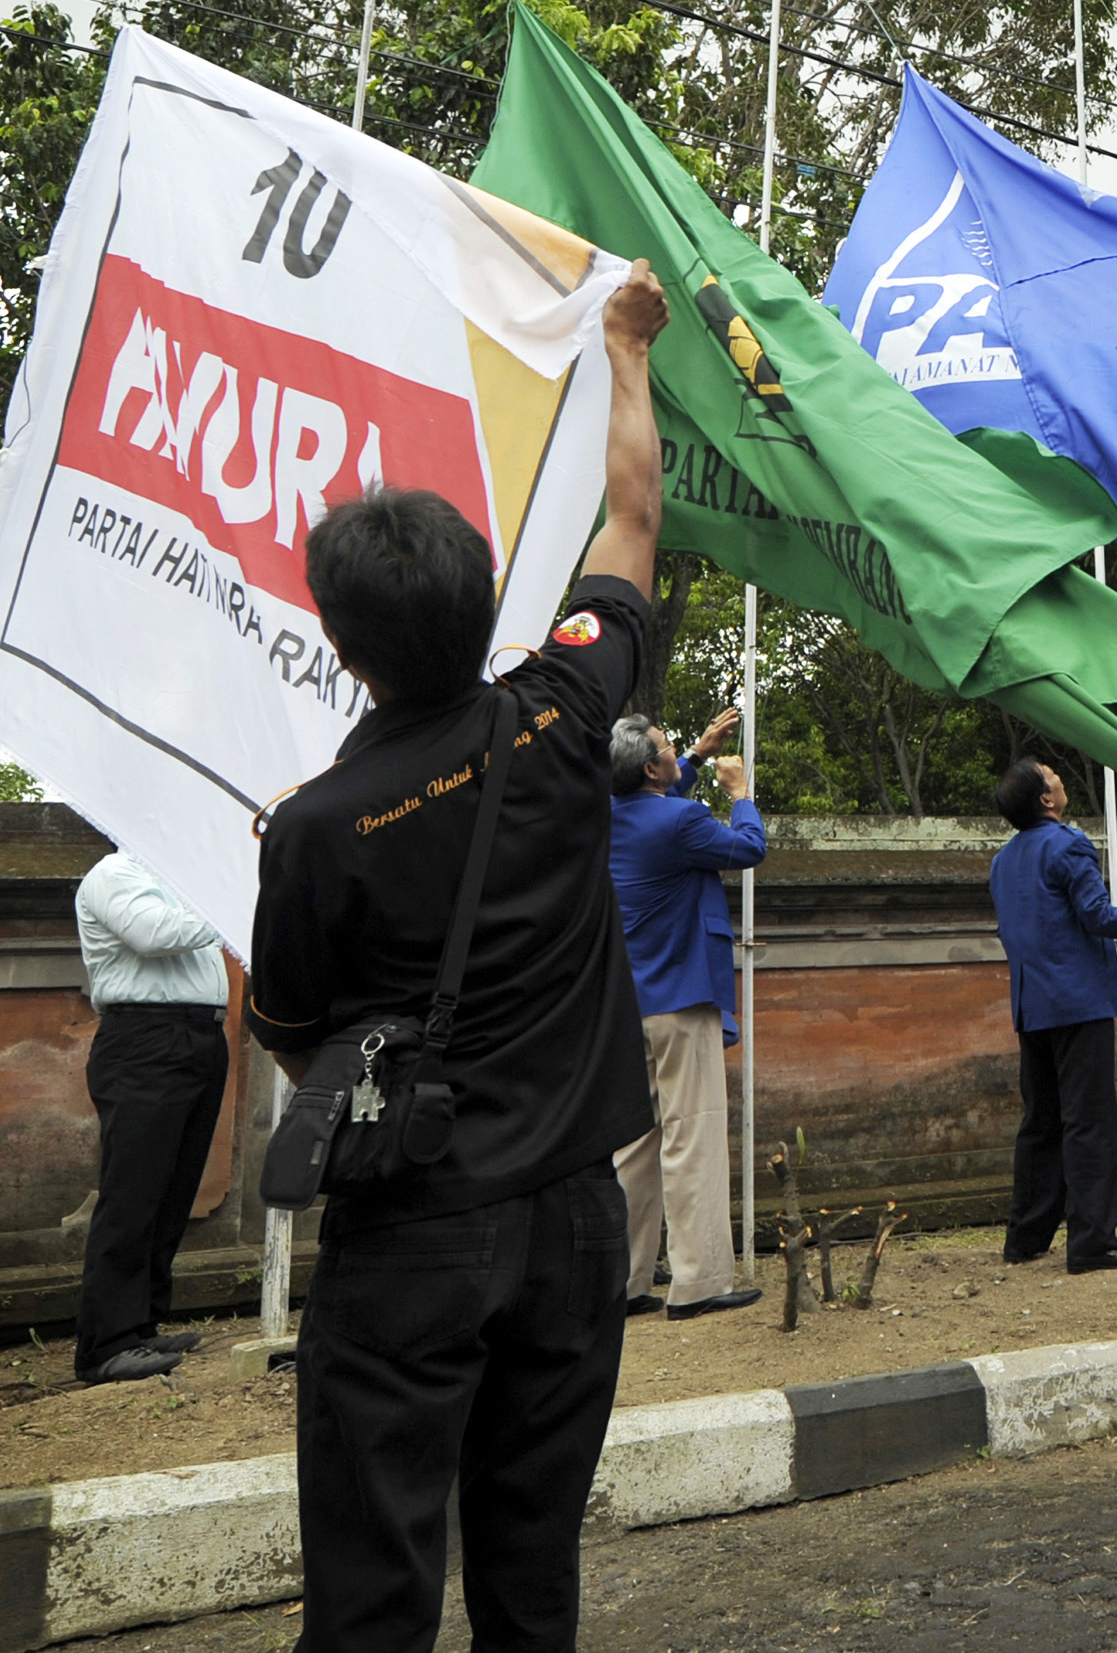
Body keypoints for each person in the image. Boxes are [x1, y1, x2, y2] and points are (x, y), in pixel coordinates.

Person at [245, 260, 671, 1650]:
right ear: (495, 601)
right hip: (575, 1220)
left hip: (416, 1234)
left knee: (373, 1592)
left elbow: (297, 1032)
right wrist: (627, 348)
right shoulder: (560, 714)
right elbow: (633, 512)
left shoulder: (313, 828)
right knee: (531, 1577)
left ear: (342, 646)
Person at [988, 758, 1117, 1274]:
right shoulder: (1069, 845)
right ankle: (1091, 1241)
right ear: (1046, 799)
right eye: (1051, 774)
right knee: (1090, 1123)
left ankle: (1026, 1237)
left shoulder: (1002, 860)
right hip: (1079, 1002)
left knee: (1040, 1124)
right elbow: (1098, 916)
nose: (1059, 776)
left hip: (1031, 1004)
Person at [608, 707, 767, 1319]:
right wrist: (740, 792)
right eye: (670, 749)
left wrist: (697, 752)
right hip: (680, 997)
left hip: (629, 1004)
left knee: (635, 1147)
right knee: (692, 1134)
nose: (677, 754)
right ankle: (699, 1282)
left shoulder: (610, 817)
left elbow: (660, 802)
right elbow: (748, 848)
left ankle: (624, 1282)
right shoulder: (681, 821)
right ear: (652, 768)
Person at [69, 853, 228, 1383]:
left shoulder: (180, 876)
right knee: (133, 1191)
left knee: (173, 1190)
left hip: (200, 1033)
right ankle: (103, 1345)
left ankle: (141, 1326)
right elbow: (153, 933)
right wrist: (224, 904)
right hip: (144, 1037)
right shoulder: (117, 873)